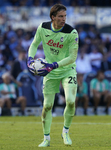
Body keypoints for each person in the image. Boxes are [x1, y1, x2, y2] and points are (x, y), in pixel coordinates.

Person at [27, 4, 79, 147]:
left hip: (67, 70)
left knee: (70, 101)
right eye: (61, 16)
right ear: (53, 17)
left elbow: (72, 57)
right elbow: (34, 44)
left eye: (65, 16)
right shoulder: (43, 28)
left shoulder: (72, 32)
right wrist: (30, 59)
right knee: (47, 106)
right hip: (50, 71)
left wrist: (54, 65)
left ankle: (65, 132)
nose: (64, 19)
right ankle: (46, 138)